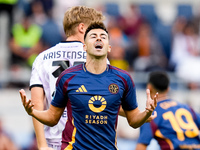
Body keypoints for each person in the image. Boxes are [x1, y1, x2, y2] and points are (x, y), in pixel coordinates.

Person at [20, 21, 158, 150]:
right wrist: (33, 112)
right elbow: (52, 118)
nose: (98, 39)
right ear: (84, 46)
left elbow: (133, 120)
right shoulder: (68, 77)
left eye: (103, 36)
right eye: (93, 36)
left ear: (109, 47)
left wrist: (146, 114)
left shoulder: (123, 78)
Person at [23, 6, 105, 150]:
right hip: (86, 139)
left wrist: (42, 145)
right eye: (94, 29)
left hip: (53, 140)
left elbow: (37, 104)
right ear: (82, 28)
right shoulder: (97, 57)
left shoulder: (42, 58)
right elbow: (106, 100)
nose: (98, 36)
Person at [135, 71, 200, 150]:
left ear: (149, 87)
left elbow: (141, 146)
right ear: (168, 89)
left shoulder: (151, 113)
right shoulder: (187, 108)